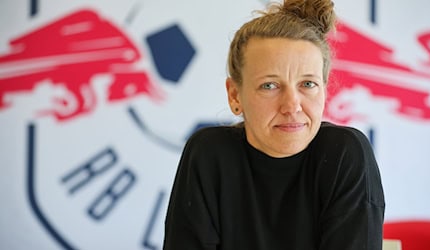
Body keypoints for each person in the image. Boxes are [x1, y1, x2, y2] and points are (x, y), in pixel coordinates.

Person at [163, 0, 385, 249]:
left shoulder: (345, 153)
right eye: (270, 85)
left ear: (324, 89)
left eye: (308, 84)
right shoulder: (208, 153)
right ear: (235, 95)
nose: (292, 105)